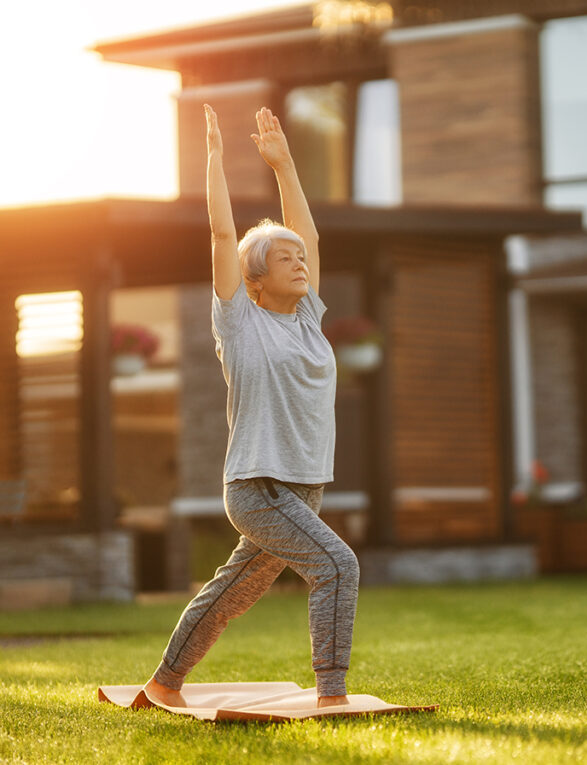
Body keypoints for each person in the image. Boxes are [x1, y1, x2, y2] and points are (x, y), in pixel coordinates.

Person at [142, 105, 359, 710]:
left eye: (301, 259)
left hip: (304, 486)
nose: (300, 262)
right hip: (260, 485)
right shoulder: (240, 322)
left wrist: (287, 166)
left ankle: (164, 682)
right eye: (284, 258)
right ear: (256, 278)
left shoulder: (310, 322)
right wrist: (214, 158)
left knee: (234, 591)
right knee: (337, 567)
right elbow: (219, 236)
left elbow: (309, 236)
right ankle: (332, 694)